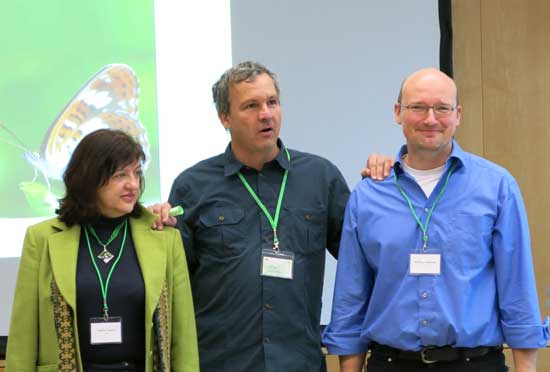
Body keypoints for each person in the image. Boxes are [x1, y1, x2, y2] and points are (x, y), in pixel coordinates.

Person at [322, 67, 550, 372]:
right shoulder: (368, 195)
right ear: (398, 113)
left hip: (475, 363)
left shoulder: (496, 187)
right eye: (418, 107)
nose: (430, 119)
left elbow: (516, 287)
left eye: (442, 108)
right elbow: (352, 295)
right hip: (391, 363)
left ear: (458, 115)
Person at [151, 60, 360, 372]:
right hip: (221, 363)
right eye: (250, 105)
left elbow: (360, 265)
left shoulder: (321, 177)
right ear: (225, 117)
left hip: (298, 362)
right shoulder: (193, 186)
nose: (266, 114)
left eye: (272, 102)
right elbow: (172, 287)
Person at [6, 129, 199, 372]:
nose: (133, 184)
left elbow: (183, 337)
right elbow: (23, 336)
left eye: (137, 173)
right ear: (89, 178)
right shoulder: (42, 239)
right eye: (120, 175)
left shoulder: (164, 238)